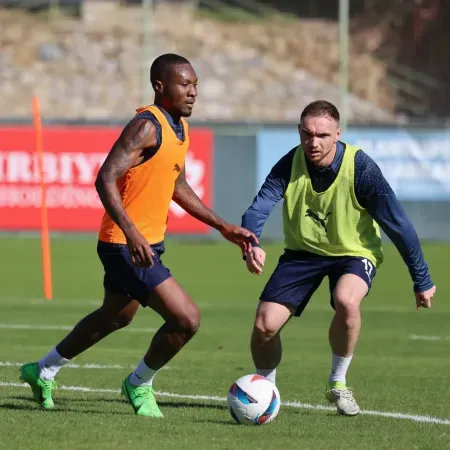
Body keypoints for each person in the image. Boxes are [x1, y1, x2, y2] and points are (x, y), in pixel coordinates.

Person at [20, 53, 257, 418]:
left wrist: (221, 225)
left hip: (146, 243)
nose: (193, 92)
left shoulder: (180, 128)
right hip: (124, 244)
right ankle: (139, 383)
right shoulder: (146, 126)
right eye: (184, 84)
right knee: (187, 319)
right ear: (160, 86)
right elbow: (104, 177)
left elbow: (177, 183)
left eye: (195, 84)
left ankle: (43, 370)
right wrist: (131, 233)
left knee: (115, 316)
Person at [241, 100, 436, 416]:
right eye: (307, 134)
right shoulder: (289, 163)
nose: (313, 142)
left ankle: (338, 382)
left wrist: (422, 279)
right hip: (303, 252)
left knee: (347, 300)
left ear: (338, 134)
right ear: (299, 132)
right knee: (264, 325)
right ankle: (266, 392)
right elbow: (258, 209)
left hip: (354, 253)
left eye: (322, 135)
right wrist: (251, 243)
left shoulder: (362, 169)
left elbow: (399, 226)